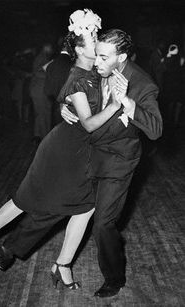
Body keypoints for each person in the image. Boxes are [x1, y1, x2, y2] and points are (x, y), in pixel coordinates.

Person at [0, 9, 118, 290]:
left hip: (79, 149)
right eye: (92, 37)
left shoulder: (97, 69)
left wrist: (63, 104)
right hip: (64, 150)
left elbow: (77, 94)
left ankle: (52, 262)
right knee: (31, 199)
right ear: (79, 48)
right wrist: (72, 103)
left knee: (78, 205)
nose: (98, 40)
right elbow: (71, 94)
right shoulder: (74, 71)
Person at [61, 29, 162, 297]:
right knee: (63, 202)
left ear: (122, 57)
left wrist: (128, 103)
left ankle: (114, 278)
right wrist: (66, 106)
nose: (96, 63)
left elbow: (155, 130)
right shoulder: (101, 69)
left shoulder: (142, 83)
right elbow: (81, 92)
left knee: (103, 224)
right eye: (97, 56)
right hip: (91, 153)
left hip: (119, 160)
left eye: (104, 58)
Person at [44, 38, 74, 126]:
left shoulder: (51, 65)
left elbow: (47, 91)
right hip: (73, 108)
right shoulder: (74, 64)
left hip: (56, 107)